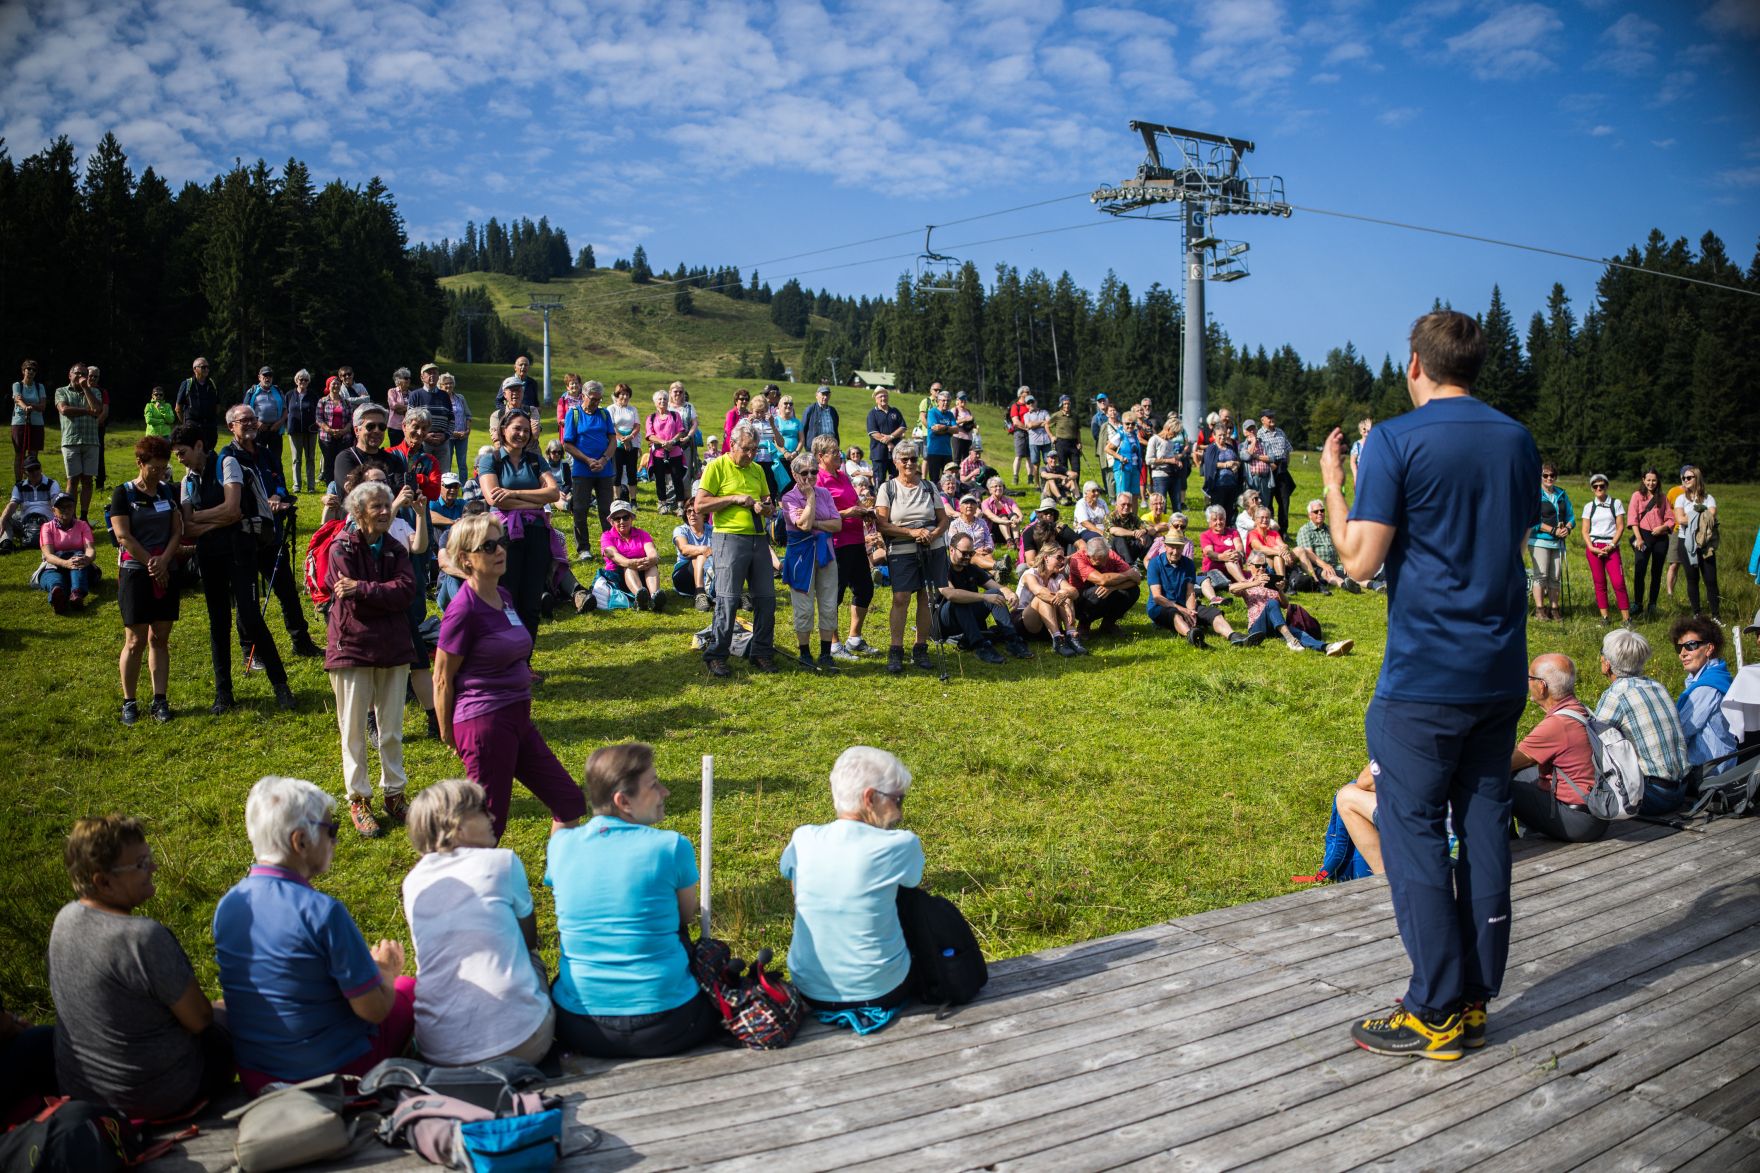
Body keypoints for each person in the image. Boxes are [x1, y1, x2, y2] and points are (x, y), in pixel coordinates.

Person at [1320, 308, 1540, 1062]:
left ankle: (1433, 1009)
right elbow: (1512, 541)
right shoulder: (1517, 439)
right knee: (1483, 828)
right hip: (1500, 668)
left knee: (1412, 831)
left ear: (1415, 363)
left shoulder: (1396, 439)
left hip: (1423, 677)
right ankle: (1474, 998)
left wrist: (1335, 484)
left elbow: (1358, 561)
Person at [214, 776, 416, 1095]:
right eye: (330, 830)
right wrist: (387, 972)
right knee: (410, 989)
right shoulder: (322, 912)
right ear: (301, 842)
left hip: (258, 1076)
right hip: (333, 1074)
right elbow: (374, 1010)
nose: (335, 839)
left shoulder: (228, 906)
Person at [49, 815, 232, 1120]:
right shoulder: (142, 938)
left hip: (86, 1096)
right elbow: (200, 1020)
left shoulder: (63, 920)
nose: (154, 868)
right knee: (235, 1014)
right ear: (103, 881)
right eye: (141, 864)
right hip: (162, 1094)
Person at [546, 743, 720, 1058]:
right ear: (623, 801)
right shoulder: (671, 846)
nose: (665, 792)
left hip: (578, 1025)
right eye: (653, 785)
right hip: (669, 1023)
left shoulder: (560, 845)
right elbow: (685, 916)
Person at [434, 511, 589, 839]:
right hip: (484, 724)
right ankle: (456, 870)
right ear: (466, 558)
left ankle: (562, 869)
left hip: (518, 718)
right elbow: (442, 678)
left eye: (501, 542)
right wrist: (448, 734)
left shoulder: (503, 597)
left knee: (569, 801)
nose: (500, 550)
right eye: (488, 546)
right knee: (488, 826)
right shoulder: (463, 610)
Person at [401, 779, 555, 1066]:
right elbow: (529, 939)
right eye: (483, 810)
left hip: (439, 1052)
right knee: (533, 959)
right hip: (522, 1044)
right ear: (457, 824)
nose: (492, 817)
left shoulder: (412, 883)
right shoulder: (502, 862)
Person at [781, 746, 923, 1018]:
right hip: (881, 990)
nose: (899, 813)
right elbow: (911, 885)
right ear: (870, 798)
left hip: (809, 989)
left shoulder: (803, 838)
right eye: (897, 800)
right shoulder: (901, 844)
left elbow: (797, 892)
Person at [172, 424, 296, 715]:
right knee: (218, 623)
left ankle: (281, 685)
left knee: (251, 618)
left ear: (199, 445)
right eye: (177, 455)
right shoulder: (187, 479)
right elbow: (187, 526)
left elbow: (232, 509)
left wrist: (203, 518)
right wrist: (220, 519)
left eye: (182, 452)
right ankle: (223, 693)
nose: (180, 459)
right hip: (209, 556)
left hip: (239, 552)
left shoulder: (227, 464)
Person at [324, 479, 417, 838]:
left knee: (391, 728)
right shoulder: (341, 547)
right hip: (352, 647)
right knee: (353, 730)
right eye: (376, 506)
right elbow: (347, 601)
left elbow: (407, 591)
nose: (384, 511)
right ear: (358, 512)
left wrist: (363, 589)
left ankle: (394, 794)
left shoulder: (395, 548)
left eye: (386, 504)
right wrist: (382, 595)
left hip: (393, 647)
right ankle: (359, 799)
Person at [222, 404, 321, 661]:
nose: (250, 424)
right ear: (231, 426)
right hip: (244, 537)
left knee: (288, 592)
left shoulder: (265, 453)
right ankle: (250, 652)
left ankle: (302, 642)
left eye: (252, 419)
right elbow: (230, 497)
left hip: (272, 536)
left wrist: (278, 495)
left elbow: (280, 482)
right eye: (243, 420)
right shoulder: (227, 457)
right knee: (248, 597)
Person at [695, 422, 778, 676]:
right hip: (729, 538)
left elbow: (769, 504)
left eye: (755, 449)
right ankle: (716, 654)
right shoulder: (716, 466)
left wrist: (766, 508)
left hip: (758, 538)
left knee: (766, 599)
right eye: (746, 449)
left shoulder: (757, 470)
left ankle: (761, 652)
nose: (751, 454)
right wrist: (733, 498)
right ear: (732, 445)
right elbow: (700, 505)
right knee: (728, 599)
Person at [111, 436, 183, 725]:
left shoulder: (168, 491)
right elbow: (123, 536)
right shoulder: (123, 493)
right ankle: (129, 702)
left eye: (163, 468)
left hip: (166, 569)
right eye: (154, 468)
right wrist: (152, 564)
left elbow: (177, 531)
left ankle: (160, 699)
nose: (159, 473)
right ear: (139, 463)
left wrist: (164, 560)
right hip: (136, 572)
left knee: (160, 638)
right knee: (135, 640)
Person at [477, 409, 560, 642]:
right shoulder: (491, 460)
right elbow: (494, 499)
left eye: (526, 430)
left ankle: (525, 656)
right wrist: (536, 501)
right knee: (507, 595)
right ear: (504, 430)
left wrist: (514, 493)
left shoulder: (535, 460)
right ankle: (505, 653)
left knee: (532, 602)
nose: (522, 434)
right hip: (504, 536)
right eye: (517, 429)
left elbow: (554, 493)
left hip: (536, 534)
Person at [1509, 654, 1607, 843]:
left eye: (1530, 677)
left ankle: (1509, 843)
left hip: (1579, 822)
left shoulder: (1556, 725)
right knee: (1522, 773)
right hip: (1598, 812)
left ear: (1542, 686)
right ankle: (1528, 834)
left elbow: (1505, 763)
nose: (1527, 682)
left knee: (1498, 782)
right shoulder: (1580, 710)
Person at [1594, 628, 1691, 816]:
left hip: (1653, 795)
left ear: (1607, 664)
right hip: (1681, 789)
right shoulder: (1657, 686)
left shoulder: (1616, 694)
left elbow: (1592, 742)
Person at [875, 440, 951, 674]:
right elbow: (882, 524)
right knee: (901, 597)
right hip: (902, 550)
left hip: (932, 548)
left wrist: (933, 534)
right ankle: (896, 649)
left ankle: (921, 647)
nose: (909, 463)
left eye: (913, 459)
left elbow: (944, 520)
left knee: (926, 597)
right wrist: (912, 532)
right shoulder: (888, 488)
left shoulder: (929, 486)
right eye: (904, 459)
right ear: (896, 462)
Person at [781, 450, 842, 670]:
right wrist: (810, 498)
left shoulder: (825, 493)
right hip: (800, 556)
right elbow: (803, 525)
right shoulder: (788, 498)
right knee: (804, 607)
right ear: (795, 474)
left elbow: (837, 525)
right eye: (804, 472)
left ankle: (826, 654)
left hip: (826, 554)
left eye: (814, 472)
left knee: (829, 604)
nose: (810, 476)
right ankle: (805, 652)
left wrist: (814, 521)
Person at [937, 533, 1029, 663]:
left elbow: (996, 586)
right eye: (964, 553)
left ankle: (1012, 639)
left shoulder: (971, 567)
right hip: (946, 621)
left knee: (995, 593)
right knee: (959, 600)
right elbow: (951, 594)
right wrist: (984, 597)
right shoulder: (940, 567)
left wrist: (1009, 593)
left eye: (971, 553)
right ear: (952, 549)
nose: (968, 557)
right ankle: (980, 646)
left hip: (969, 616)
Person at [1145, 531, 1243, 648]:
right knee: (1175, 614)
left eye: (1179, 547)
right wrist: (1183, 610)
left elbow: (1190, 592)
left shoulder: (1189, 564)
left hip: (1184, 604)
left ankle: (1233, 636)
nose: (1175, 552)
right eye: (1172, 547)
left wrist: (1191, 612)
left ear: (1183, 547)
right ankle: (1192, 635)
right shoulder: (1154, 564)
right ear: (1165, 546)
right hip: (1160, 607)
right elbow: (1157, 597)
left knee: (1214, 613)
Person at [1231, 562, 1350, 655]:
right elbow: (1232, 589)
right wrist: (1255, 583)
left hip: (1276, 625)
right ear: (1249, 565)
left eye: (1264, 565)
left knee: (1299, 633)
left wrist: (1280, 590)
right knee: (1272, 603)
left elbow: (1285, 605)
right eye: (1258, 565)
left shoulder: (1271, 583)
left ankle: (1327, 647)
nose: (1261, 568)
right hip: (1257, 628)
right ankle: (1290, 639)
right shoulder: (1246, 584)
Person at [1671, 615, 1735, 771]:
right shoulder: (1718, 676)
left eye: (1691, 645)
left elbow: (1679, 733)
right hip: (1720, 764)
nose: (1683, 653)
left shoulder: (1707, 687)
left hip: (1710, 772)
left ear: (1709, 648)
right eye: (1679, 648)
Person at [562, 379, 616, 559]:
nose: (596, 402)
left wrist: (604, 460)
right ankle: (583, 548)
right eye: (593, 399)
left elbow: (612, 440)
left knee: (606, 510)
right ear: (583, 396)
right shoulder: (574, 414)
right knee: (580, 509)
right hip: (582, 470)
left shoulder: (604, 414)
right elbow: (567, 444)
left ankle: (609, 546)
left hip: (604, 470)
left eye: (599, 399)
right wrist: (587, 460)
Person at [1579, 473, 1631, 625]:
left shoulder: (1616, 503)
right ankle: (1605, 618)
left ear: (1606, 486)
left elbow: (1620, 527)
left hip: (1611, 547)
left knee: (1618, 582)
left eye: (1601, 486)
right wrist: (1591, 547)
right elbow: (1585, 530)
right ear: (1592, 488)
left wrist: (1612, 545)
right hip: (1594, 548)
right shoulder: (1589, 507)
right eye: (1595, 486)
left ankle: (1626, 619)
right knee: (1599, 582)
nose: (1598, 488)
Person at [54, 363, 103, 521]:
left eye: (84, 374)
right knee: (73, 480)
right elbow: (64, 410)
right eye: (77, 373)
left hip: (91, 442)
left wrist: (86, 388)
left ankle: (84, 517)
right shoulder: (61, 391)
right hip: (71, 441)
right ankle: (71, 516)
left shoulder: (94, 391)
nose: (80, 376)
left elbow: (98, 410)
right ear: (70, 375)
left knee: (88, 480)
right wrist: (87, 411)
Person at [1069, 535, 1142, 638]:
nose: (1103, 564)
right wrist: (1127, 575)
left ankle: (1108, 624)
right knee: (1097, 592)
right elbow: (1102, 580)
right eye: (1099, 560)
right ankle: (1084, 625)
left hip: (1107, 593)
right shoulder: (1077, 559)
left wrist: (1113, 587)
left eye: (1105, 559)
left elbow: (1136, 580)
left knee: (1133, 590)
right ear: (1089, 556)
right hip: (1080, 601)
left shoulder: (1111, 554)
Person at [1017, 544, 1084, 654]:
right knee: (1043, 597)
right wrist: (1064, 604)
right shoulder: (1029, 574)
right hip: (1025, 622)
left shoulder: (1058, 577)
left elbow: (1075, 592)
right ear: (1046, 557)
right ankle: (1057, 640)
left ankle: (1071, 635)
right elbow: (1039, 592)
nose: (1062, 562)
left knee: (1065, 594)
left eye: (1063, 558)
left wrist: (1065, 593)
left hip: (1048, 623)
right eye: (1059, 558)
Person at [1294, 499, 1371, 594]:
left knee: (1353, 572)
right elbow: (1309, 553)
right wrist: (1324, 565)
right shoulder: (1305, 530)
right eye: (1316, 512)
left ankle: (1375, 585)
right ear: (1309, 515)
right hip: (1317, 567)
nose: (1320, 513)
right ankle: (1346, 585)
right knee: (1329, 574)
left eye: (1322, 510)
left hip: (1334, 565)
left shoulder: (1329, 529)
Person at [36, 491, 94, 613]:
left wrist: (87, 559)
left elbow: (90, 549)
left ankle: (76, 594)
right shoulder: (47, 527)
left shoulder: (83, 525)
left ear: (74, 508)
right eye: (61, 507)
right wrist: (66, 563)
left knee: (79, 557)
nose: (66, 510)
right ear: (53, 510)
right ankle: (57, 595)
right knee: (54, 578)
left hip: (79, 564)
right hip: (54, 564)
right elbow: (48, 555)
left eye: (69, 506)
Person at [602, 498, 664, 611]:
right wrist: (631, 562)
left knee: (651, 565)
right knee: (628, 567)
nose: (622, 521)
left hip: (642, 572)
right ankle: (640, 598)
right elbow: (613, 555)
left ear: (631, 518)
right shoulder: (607, 536)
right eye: (617, 518)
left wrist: (650, 559)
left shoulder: (642, 534)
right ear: (612, 522)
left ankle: (654, 597)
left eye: (625, 517)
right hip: (619, 577)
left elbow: (652, 552)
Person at [1530, 462, 1573, 621]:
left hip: (1558, 542)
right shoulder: (1534, 494)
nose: (1549, 478)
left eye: (1552, 475)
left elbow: (1571, 517)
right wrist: (1553, 530)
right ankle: (1540, 610)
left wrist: (1567, 528)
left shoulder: (1561, 494)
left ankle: (1554, 609)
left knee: (1555, 577)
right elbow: (1532, 520)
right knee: (1541, 575)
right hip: (1539, 541)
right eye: (1545, 475)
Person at [1626, 468, 1671, 619]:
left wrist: (1662, 528)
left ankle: (1652, 604)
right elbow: (1632, 519)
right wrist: (1639, 538)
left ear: (1658, 481)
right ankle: (1637, 604)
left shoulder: (1663, 498)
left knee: (1656, 572)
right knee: (1640, 570)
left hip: (1661, 538)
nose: (1651, 483)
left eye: (1654, 480)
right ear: (1643, 480)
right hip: (1643, 536)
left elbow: (1670, 519)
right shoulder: (1637, 496)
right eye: (1648, 480)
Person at [1676, 465, 1718, 619]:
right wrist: (1700, 514)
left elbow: (1711, 517)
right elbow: (1680, 519)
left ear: (1697, 478)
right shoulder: (1681, 499)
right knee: (1692, 579)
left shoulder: (1709, 498)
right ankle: (1697, 613)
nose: (1685, 480)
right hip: (1685, 543)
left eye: (1689, 477)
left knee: (1711, 579)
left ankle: (1716, 615)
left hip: (1706, 543)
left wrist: (1691, 516)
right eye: (1683, 478)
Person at [671, 498, 713, 610]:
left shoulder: (712, 530)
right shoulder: (681, 530)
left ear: (704, 514)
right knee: (699, 556)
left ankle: (737, 595)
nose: (692, 514)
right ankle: (700, 593)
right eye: (689, 511)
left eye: (696, 511)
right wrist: (704, 549)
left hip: (709, 573)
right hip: (684, 576)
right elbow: (684, 549)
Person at [174, 357, 223, 453]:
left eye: (208, 367)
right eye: (203, 367)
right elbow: (178, 408)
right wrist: (186, 423)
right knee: (193, 453)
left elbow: (218, 405)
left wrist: (212, 419)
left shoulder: (212, 384)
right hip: (192, 427)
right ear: (195, 369)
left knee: (209, 453)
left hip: (210, 428)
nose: (206, 369)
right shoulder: (187, 384)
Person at [315, 372, 355, 488]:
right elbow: (319, 419)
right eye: (333, 384)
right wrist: (329, 430)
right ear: (328, 386)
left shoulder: (346, 402)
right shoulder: (322, 401)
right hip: (326, 438)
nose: (336, 386)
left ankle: (342, 485)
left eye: (338, 384)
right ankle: (330, 486)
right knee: (329, 462)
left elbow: (351, 419)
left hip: (344, 437)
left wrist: (344, 430)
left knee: (342, 461)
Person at [1256, 409, 1294, 531]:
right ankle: (1270, 530)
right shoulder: (1259, 434)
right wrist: (1269, 464)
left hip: (1282, 469)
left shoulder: (1280, 432)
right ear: (1262, 420)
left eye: (1273, 416)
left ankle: (1283, 531)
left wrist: (1285, 464)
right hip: (1268, 470)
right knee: (1268, 502)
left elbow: (1287, 451)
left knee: (1284, 501)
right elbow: (1257, 455)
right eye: (1269, 417)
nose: (1272, 419)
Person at [244, 366, 286, 475]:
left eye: (270, 375)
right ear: (259, 377)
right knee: (258, 457)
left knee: (276, 459)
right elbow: (245, 411)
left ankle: (278, 482)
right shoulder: (252, 391)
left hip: (275, 430)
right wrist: (256, 423)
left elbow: (285, 410)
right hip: (258, 430)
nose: (267, 378)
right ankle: (261, 481)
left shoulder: (278, 391)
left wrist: (279, 423)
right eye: (265, 375)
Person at [11, 358, 47, 483]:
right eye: (28, 369)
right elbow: (17, 399)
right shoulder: (17, 385)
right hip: (20, 422)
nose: (31, 371)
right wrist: (26, 407)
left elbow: (43, 406)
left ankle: (31, 481)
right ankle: (18, 482)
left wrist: (32, 406)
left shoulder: (39, 386)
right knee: (19, 453)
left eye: (34, 370)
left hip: (37, 423)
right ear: (23, 371)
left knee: (33, 454)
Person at [284, 370, 320, 492]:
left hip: (311, 431)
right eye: (301, 379)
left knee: (310, 458)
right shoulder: (289, 395)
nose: (303, 382)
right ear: (296, 381)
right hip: (294, 431)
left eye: (306, 380)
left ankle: (311, 486)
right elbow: (286, 411)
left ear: (308, 382)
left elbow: (318, 411)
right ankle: (297, 485)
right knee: (296, 459)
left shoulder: (313, 395)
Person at [865, 386, 907, 485]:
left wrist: (891, 437)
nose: (883, 398)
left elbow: (903, 427)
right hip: (879, 454)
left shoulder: (895, 411)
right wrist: (889, 443)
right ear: (876, 399)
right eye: (880, 396)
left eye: (885, 396)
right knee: (879, 481)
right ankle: (879, 495)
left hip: (896, 453)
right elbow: (873, 433)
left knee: (897, 480)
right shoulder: (872, 414)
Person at [1199, 425, 1243, 519]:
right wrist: (1226, 465)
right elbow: (1210, 464)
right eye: (1220, 435)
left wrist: (1236, 465)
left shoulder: (1230, 447)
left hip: (1232, 484)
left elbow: (1238, 460)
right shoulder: (1211, 448)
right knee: (1218, 512)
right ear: (1214, 435)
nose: (1222, 437)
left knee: (1229, 511)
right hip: (1218, 485)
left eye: (1224, 435)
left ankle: (1228, 526)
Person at [442, 372, 474, 479]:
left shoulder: (460, 398)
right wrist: (452, 432)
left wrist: (467, 430)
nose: (449, 385)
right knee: (447, 463)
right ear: (441, 385)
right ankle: (447, 485)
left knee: (462, 464)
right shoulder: (440, 399)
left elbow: (468, 415)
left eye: (451, 383)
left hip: (462, 436)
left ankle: (465, 486)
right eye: (446, 383)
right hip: (448, 436)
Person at [924, 388, 956, 485]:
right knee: (934, 480)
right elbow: (935, 429)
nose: (946, 403)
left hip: (947, 452)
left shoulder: (950, 414)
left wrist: (944, 428)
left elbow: (956, 430)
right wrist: (949, 430)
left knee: (949, 479)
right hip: (934, 451)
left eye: (948, 401)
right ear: (938, 401)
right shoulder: (932, 412)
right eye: (943, 400)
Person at [1006, 386, 1034, 485]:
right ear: (1021, 394)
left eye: (1029, 391)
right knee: (1019, 456)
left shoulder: (1030, 405)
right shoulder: (1015, 406)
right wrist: (1027, 428)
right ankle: (1015, 478)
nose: (1029, 393)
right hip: (1020, 433)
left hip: (1031, 433)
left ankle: (1030, 479)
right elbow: (1016, 422)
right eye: (1027, 392)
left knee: (1030, 457)